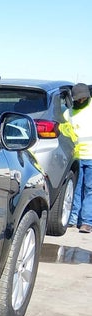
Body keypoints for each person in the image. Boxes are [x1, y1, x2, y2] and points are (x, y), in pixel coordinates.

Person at [68, 83, 92, 232]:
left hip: (91, 156)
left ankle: (86, 222)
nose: (81, 101)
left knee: (89, 189)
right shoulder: (69, 113)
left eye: (83, 98)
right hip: (76, 157)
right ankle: (72, 218)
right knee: (76, 189)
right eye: (78, 98)